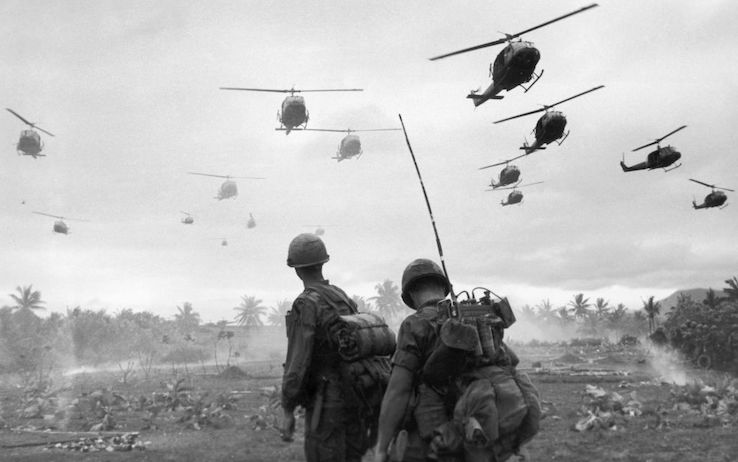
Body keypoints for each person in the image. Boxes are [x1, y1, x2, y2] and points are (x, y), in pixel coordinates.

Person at [374, 259, 539, 462]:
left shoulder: (414, 325)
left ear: (411, 294)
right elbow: (510, 362)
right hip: (482, 428)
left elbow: (398, 390)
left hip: (437, 437)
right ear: (443, 288)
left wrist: (381, 448)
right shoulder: (475, 317)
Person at [280, 233, 373, 462]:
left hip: (326, 403)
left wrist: (288, 409)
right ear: (323, 263)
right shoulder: (341, 297)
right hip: (355, 395)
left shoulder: (306, 303)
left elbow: (297, 361)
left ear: (296, 269)